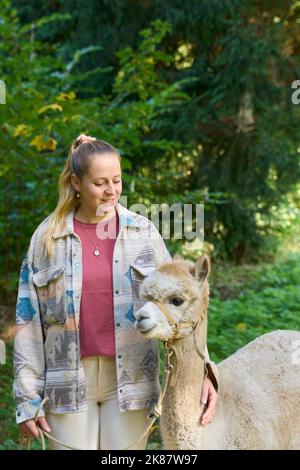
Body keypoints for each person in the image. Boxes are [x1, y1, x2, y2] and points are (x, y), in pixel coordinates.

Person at [13, 134, 218, 450]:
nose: (111, 191)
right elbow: (28, 323)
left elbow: (187, 306)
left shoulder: (143, 233)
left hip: (131, 380)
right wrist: (27, 397)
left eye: (117, 180)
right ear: (76, 183)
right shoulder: (47, 238)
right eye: (100, 183)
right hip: (66, 382)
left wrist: (206, 371)